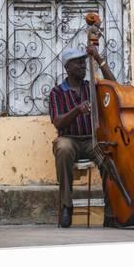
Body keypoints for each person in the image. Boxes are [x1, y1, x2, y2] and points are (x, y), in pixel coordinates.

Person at [49, 46, 116, 228]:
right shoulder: (57, 92)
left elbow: (113, 85)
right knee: (62, 148)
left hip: (90, 140)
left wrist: (98, 58)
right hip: (69, 139)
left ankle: (111, 210)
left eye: (83, 62)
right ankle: (66, 206)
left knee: (109, 155)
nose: (83, 66)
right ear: (67, 67)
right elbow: (58, 122)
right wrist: (77, 111)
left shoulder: (91, 87)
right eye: (78, 63)